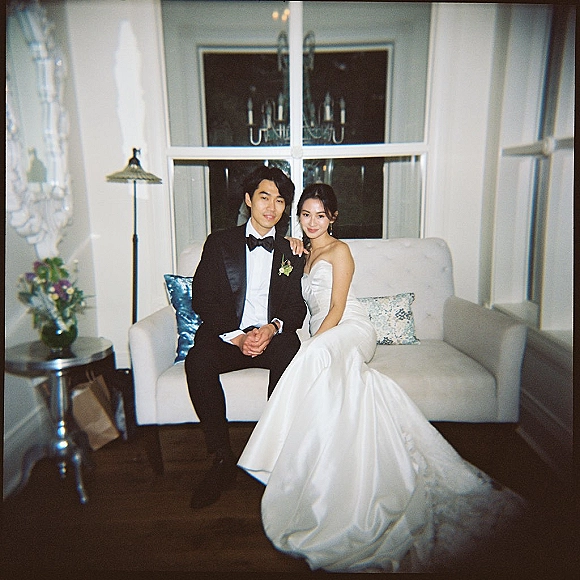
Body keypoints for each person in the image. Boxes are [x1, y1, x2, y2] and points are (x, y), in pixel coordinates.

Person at [238, 183, 525, 573]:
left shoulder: (340, 250)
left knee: (312, 356)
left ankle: (271, 456)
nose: (311, 221)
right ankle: (315, 471)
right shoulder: (300, 252)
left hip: (351, 327)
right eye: (305, 214)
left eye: (320, 215)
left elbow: (338, 306)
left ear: (333, 218)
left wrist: (315, 343)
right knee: (331, 381)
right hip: (328, 332)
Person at [185, 165, 307, 509]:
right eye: (264, 196)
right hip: (229, 337)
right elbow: (202, 299)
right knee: (198, 361)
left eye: (281, 200)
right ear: (248, 200)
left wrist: (271, 328)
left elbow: (296, 307)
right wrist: (238, 337)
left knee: (291, 350)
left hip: (271, 338)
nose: (272, 206)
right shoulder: (219, 243)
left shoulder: (291, 252)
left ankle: (274, 455)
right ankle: (222, 459)